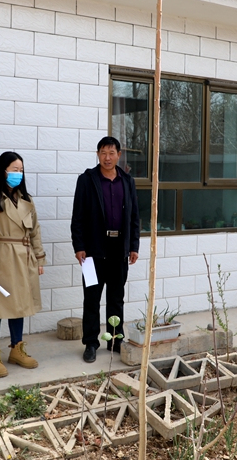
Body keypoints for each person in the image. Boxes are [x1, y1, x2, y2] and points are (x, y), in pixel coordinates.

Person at [71, 136, 140, 363]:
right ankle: (91, 342)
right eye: (103, 152)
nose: (107, 157)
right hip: (92, 251)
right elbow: (78, 217)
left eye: (111, 153)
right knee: (91, 298)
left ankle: (115, 340)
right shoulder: (87, 180)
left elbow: (134, 217)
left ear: (119, 155)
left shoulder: (127, 181)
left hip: (119, 250)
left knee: (116, 298)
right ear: (97, 154)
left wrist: (133, 246)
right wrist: (79, 246)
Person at [0, 152, 47, 377]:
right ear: (2, 170)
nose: (18, 174)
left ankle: (17, 348)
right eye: (13, 169)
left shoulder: (26, 199)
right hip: (2, 257)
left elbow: (35, 231)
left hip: (25, 256)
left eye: (20, 170)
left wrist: (39, 258)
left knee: (20, 304)